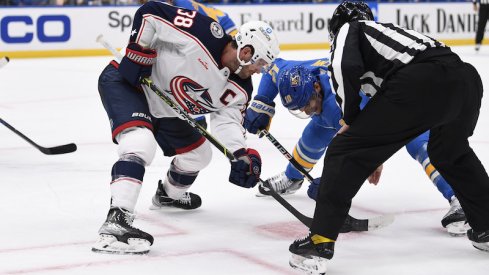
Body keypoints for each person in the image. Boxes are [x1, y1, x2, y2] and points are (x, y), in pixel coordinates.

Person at [284, 1, 489, 274]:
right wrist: (369, 147)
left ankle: (319, 242)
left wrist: (350, 122)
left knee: (342, 151)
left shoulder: (351, 29)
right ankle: (486, 226)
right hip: (467, 82)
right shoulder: (396, 40)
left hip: (424, 81)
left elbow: (345, 68)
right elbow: (387, 112)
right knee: (449, 151)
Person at [93, 0, 280, 255]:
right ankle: (117, 221)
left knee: (200, 154)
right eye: (260, 63)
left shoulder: (241, 89)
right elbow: (151, 12)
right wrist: (139, 51)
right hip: (130, 85)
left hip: (166, 108)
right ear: (247, 52)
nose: (260, 71)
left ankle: (169, 194)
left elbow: (226, 122)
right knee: (140, 143)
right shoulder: (204, 32)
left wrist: (239, 154)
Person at [244, 58, 467, 236]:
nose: (305, 111)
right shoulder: (293, 74)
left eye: (308, 104)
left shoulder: (340, 105)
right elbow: (271, 68)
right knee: (313, 134)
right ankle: (293, 177)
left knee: (419, 144)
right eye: (300, 107)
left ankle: (460, 199)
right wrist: (262, 102)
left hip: (401, 103)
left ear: (316, 87)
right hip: (357, 108)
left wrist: (334, 185)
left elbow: (365, 145)